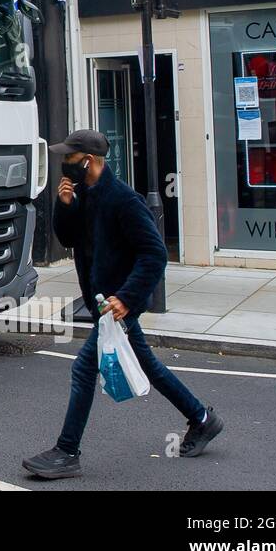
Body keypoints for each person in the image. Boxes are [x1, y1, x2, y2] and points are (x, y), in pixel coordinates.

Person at [23, 129, 223, 479]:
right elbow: (68, 238)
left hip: (117, 305)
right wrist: (65, 206)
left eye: (69, 159)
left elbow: (154, 253)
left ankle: (67, 451)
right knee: (147, 364)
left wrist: (127, 298)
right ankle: (202, 419)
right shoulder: (84, 193)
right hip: (104, 302)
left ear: (90, 161)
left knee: (83, 370)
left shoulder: (124, 200)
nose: (64, 165)